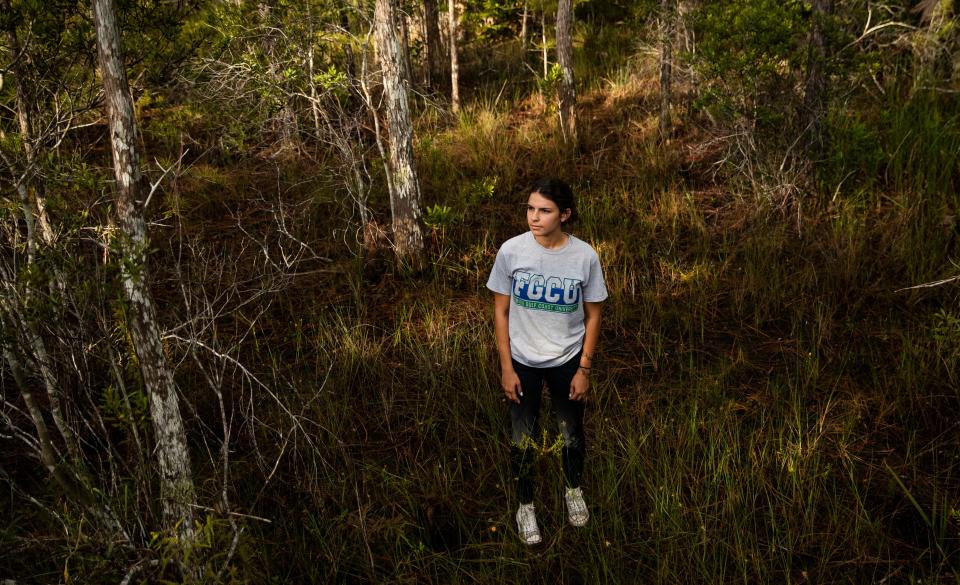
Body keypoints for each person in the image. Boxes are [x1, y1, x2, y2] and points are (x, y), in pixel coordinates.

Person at [486, 177, 607, 545]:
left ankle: (573, 491)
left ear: (565, 215)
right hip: (522, 361)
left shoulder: (584, 256)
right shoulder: (511, 251)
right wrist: (507, 368)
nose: (534, 218)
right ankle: (526, 505)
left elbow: (594, 315)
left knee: (571, 434)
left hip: (567, 361)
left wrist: (584, 369)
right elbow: (501, 313)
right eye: (530, 209)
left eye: (544, 210)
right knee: (522, 437)